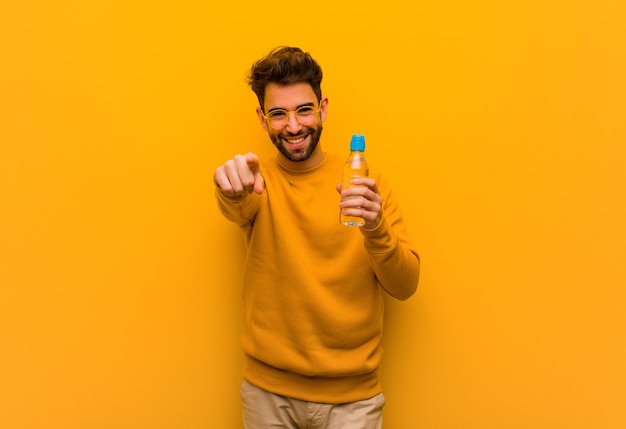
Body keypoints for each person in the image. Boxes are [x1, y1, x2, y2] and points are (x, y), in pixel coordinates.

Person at [214, 46, 420, 429]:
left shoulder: (365, 186)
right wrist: (231, 189)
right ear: (262, 119)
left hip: (353, 401)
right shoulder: (259, 185)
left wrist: (376, 229)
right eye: (278, 114)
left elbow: (405, 285)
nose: (293, 126)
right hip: (267, 395)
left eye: (303, 110)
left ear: (323, 109)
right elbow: (237, 206)